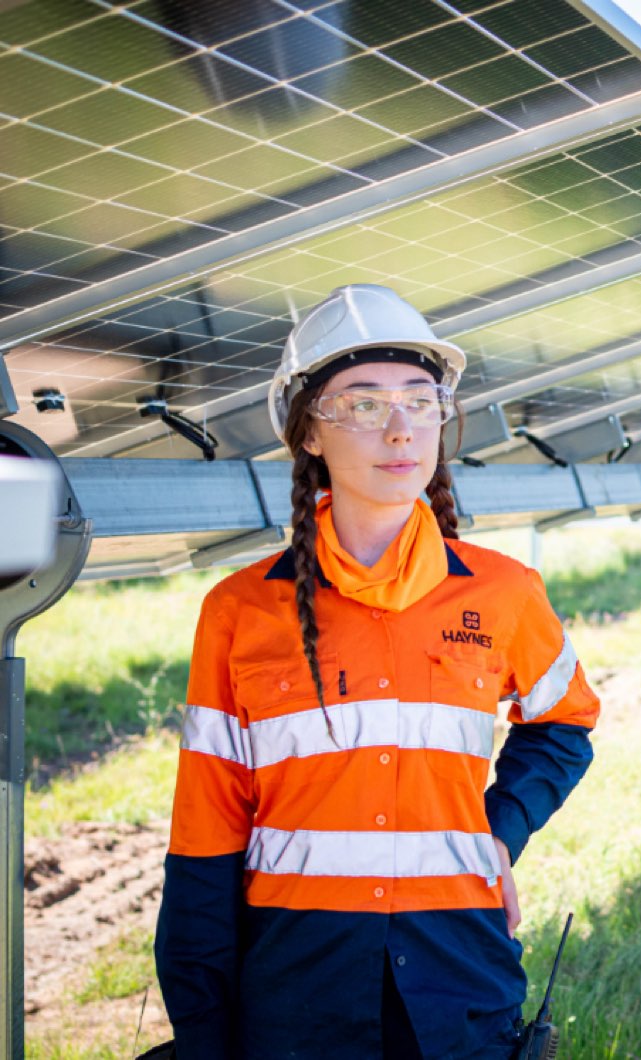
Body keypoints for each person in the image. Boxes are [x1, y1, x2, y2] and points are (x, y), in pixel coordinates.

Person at [153, 285, 600, 1059]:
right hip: (296, 988)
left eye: (419, 401)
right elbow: (206, 834)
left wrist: (499, 834)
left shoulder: (505, 593)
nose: (399, 429)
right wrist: (202, 1027)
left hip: (460, 975)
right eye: (362, 404)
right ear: (310, 435)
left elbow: (564, 723)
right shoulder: (239, 611)